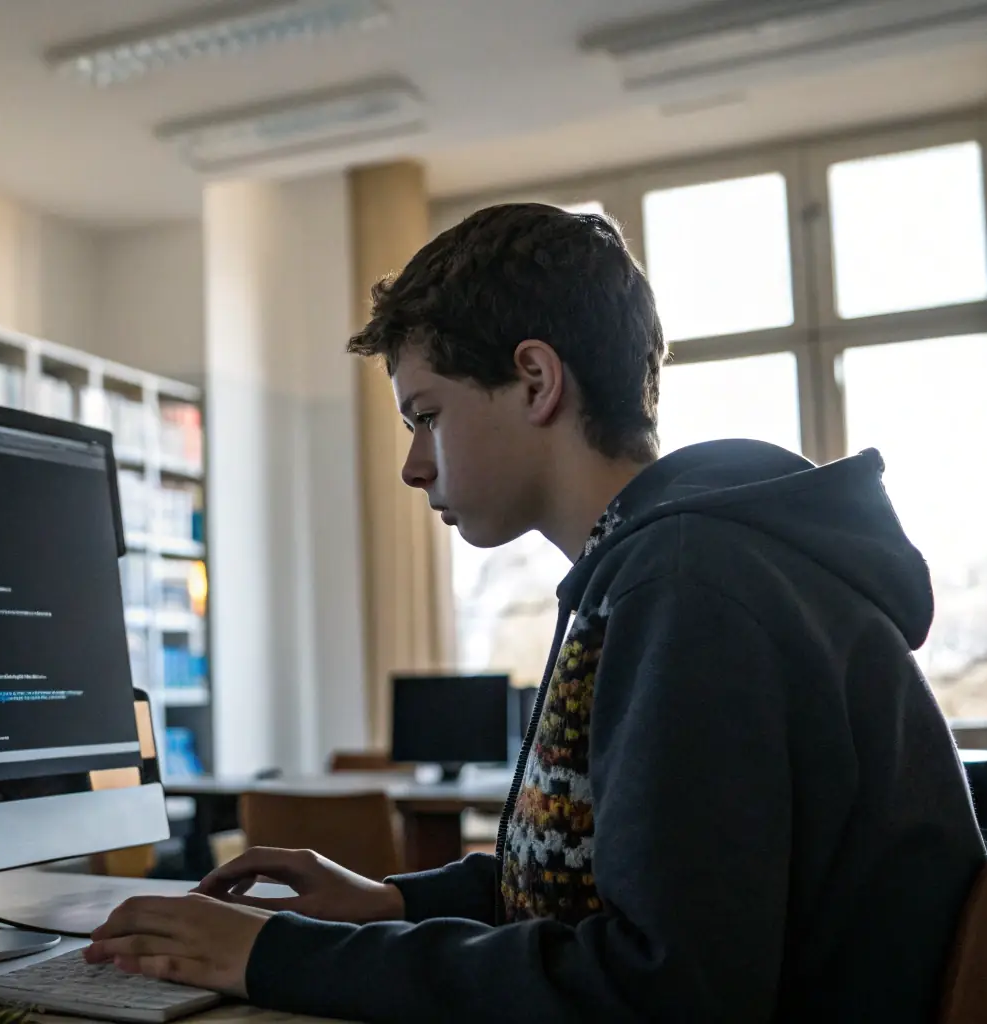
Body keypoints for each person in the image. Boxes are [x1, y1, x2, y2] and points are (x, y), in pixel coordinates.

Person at [85, 203, 986, 1022]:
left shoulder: (686, 583)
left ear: (533, 379)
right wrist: (397, 902)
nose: (413, 464)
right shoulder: (663, 560)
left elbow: (662, 988)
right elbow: (626, 892)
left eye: (426, 415)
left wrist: (284, 954)